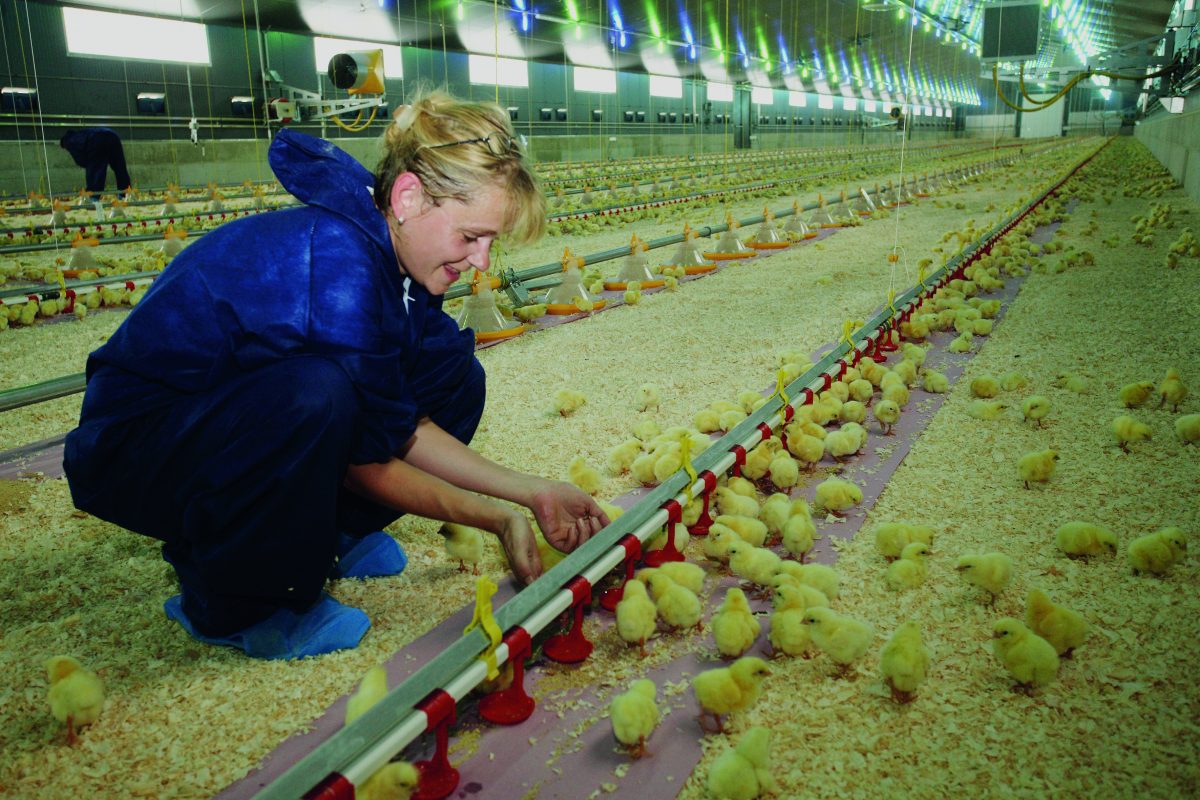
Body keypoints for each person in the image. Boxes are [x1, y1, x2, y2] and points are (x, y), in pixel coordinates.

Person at [63, 91, 608, 660]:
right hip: (136, 446)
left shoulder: (397, 264)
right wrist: (499, 517)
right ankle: (233, 600)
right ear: (408, 198)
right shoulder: (337, 267)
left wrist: (535, 492)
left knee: (454, 377)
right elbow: (365, 455)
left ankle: (327, 536)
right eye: (471, 237)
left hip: (228, 416)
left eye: (490, 241)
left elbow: (399, 420)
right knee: (317, 394)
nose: (482, 262)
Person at [58, 127, 133, 200]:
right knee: (120, 167)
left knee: (95, 170)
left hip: (97, 139)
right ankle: (126, 193)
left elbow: (82, 160)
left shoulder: (69, 141)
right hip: (113, 135)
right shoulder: (82, 134)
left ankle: (93, 197)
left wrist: (90, 164)